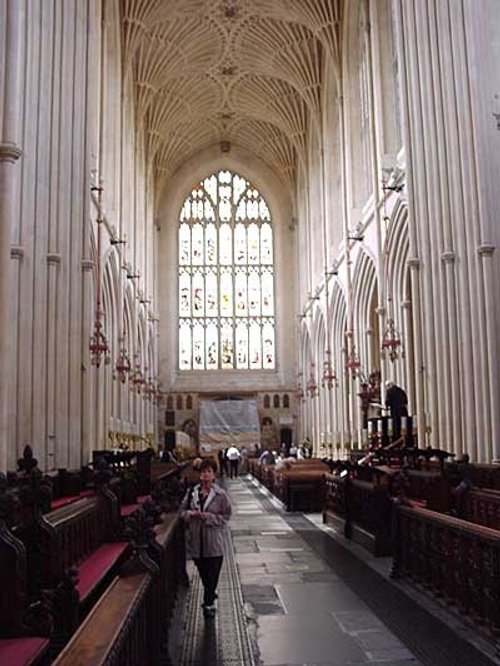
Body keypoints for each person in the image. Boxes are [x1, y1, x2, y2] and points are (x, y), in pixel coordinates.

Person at [180, 458, 232, 618]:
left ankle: (208, 602)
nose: (205, 474)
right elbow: (182, 511)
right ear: (200, 474)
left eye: (209, 471)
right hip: (197, 541)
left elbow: (226, 516)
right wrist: (188, 515)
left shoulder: (220, 495)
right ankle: (210, 592)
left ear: (214, 474)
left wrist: (206, 517)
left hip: (213, 541)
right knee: (204, 572)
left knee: (213, 572)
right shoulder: (192, 493)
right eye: (203, 471)